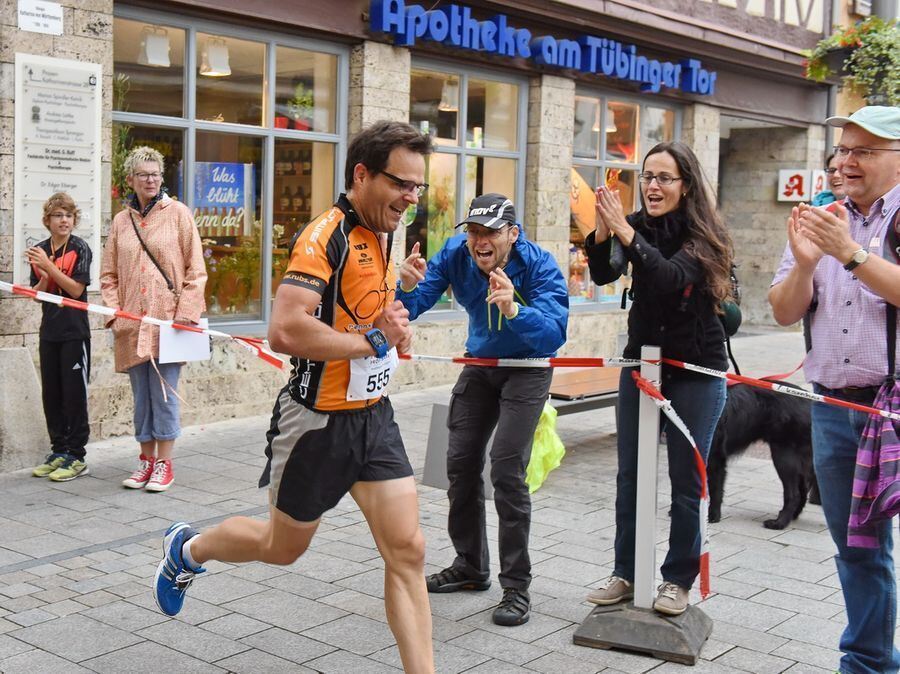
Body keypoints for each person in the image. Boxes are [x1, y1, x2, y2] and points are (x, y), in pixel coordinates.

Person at [151, 121, 435, 673]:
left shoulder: (382, 230)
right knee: (283, 548)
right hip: (316, 424)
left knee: (409, 552)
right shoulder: (322, 234)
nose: (412, 198)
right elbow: (285, 328)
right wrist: (374, 339)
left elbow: (356, 304)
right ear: (362, 174)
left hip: (373, 418)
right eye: (403, 184)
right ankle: (187, 549)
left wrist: (394, 296)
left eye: (417, 188)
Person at [769, 105, 900, 674]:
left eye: (863, 151)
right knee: (859, 549)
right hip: (833, 406)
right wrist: (803, 265)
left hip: (893, 406)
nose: (846, 161)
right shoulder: (817, 217)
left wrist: (850, 253)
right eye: (842, 150)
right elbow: (781, 310)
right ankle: (869, 663)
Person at [398, 193, 568, 626]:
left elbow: (553, 335)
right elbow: (414, 306)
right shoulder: (456, 252)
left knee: (507, 470)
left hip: (528, 368)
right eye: (474, 232)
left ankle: (516, 587)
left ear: (512, 233)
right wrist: (408, 287)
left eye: (490, 232)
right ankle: (471, 566)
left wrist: (514, 309)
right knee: (458, 463)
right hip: (480, 365)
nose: (479, 241)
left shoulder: (540, 265)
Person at [583, 141, 733, 616]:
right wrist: (603, 232)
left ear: (685, 185)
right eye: (647, 176)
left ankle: (677, 580)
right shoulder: (636, 225)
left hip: (696, 367)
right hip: (642, 363)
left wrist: (626, 234)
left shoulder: (702, 235)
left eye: (664, 178)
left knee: (686, 479)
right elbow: (606, 275)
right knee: (630, 474)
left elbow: (669, 277)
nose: (651, 186)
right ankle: (625, 572)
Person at [100, 146, 207, 493]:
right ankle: (145, 461)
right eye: (143, 174)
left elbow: (196, 269)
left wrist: (185, 314)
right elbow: (108, 274)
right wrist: (116, 313)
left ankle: (165, 464)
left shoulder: (177, 214)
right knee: (142, 396)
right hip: (132, 324)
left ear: (162, 177)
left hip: (168, 323)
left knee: (164, 394)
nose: (150, 180)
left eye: (156, 174)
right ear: (130, 179)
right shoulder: (121, 221)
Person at [27, 192, 93, 482]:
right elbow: (39, 294)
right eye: (58, 215)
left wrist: (50, 267)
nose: (64, 220)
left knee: (73, 395)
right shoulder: (40, 249)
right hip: (49, 331)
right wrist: (43, 274)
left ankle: (77, 455)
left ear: (74, 219)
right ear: (48, 220)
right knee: (51, 393)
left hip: (74, 332)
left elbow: (76, 291)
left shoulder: (80, 247)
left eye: (68, 215)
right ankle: (59, 450)